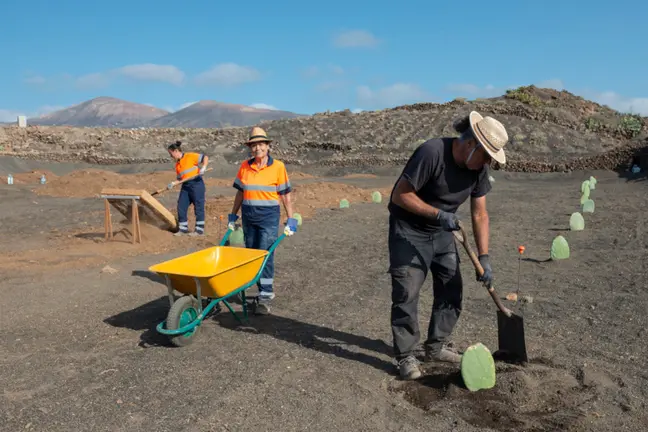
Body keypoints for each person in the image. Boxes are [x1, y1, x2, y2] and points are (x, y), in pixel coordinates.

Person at [387, 111, 509, 380]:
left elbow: (480, 213)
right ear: (470, 144)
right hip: (409, 231)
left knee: (451, 288)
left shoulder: (479, 169)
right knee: (407, 291)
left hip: (443, 234)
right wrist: (438, 214)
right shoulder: (431, 153)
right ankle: (406, 355)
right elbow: (400, 195)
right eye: (486, 155)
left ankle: (437, 346)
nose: (487, 162)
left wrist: (484, 256)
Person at [228, 127, 298, 315]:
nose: (257, 148)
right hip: (249, 215)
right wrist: (233, 214)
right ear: (250, 148)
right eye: (254, 145)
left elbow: (285, 195)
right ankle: (258, 288)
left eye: (261, 144)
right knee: (252, 254)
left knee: (266, 254)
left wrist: (291, 219)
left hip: (268, 217)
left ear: (267, 146)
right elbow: (240, 193)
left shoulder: (278, 167)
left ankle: (266, 295)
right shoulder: (244, 166)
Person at [167, 141, 209, 236]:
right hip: (185, 186)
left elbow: (205, 157)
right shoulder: (177, 165)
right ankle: (183, 229)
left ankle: (199, 231)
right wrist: (173, 183)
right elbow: (180, 180)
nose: (171, 156)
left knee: (198, 207)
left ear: (176, 151)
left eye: (171, 154)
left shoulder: (190, 156)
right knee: (181, 206)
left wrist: (204, 167)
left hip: (197, 184)